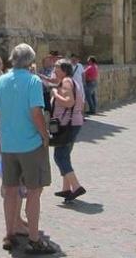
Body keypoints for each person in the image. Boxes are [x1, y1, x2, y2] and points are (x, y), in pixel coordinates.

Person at [0, 43, 54, 254]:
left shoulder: (2, 80)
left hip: (9, 145)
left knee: (10, 191)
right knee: (34, 193)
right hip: (30, 144)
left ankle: (9, 234)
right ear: (30, 62)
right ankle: (34, 239)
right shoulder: (33, 81)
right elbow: (36, 112)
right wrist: (45, 135)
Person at [50, 59, 86, 203]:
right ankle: (66, 188)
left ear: (64, 70)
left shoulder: (66, 82)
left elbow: (68, 102)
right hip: (73, 122)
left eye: (56, 67)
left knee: (60, 156)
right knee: (65, 154)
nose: (54, 69)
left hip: (67, 124)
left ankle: (76, 186)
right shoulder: (72, 81)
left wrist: (55, 94)